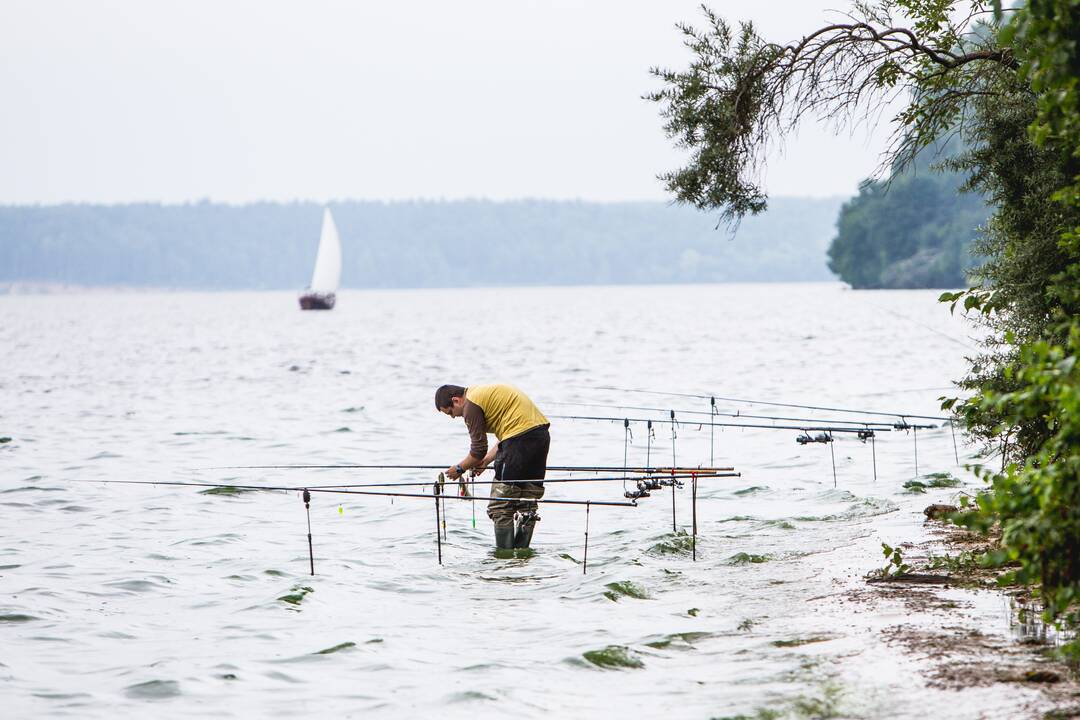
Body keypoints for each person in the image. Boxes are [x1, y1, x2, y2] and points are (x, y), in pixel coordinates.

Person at [435, 383, 550, 551]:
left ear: (456, 400)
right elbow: (509, 434)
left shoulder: (470, 405)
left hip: (518, 441)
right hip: (541, 437)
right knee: (527, 503)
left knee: (500, 507)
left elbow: (478, 450)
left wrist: (459, 468)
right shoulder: (482, 394)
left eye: (450, 412)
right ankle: (521, 561)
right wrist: (487, 461)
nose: (453, 417)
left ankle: (504, 558)